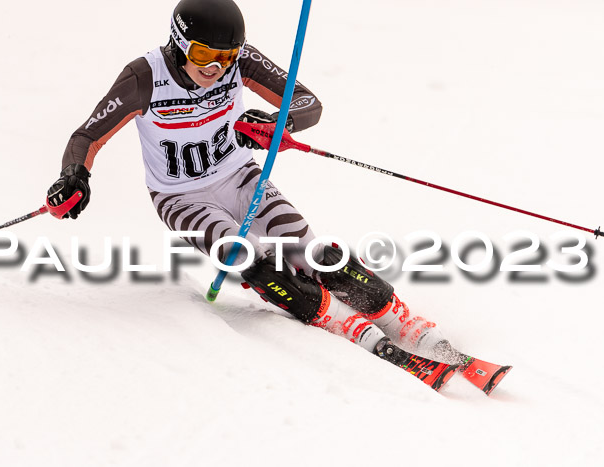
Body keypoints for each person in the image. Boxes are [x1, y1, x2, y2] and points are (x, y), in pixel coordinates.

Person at [46, 0, 465, 367]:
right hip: (180, 198)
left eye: (227, 56)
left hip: (242, 178)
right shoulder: (144, 77)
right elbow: (87, 136)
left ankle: (403, 323)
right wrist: (74, 175)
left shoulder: (239, 62)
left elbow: (306, 103)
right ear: (177, 43)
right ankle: (348, 327)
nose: (217, 68)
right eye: (205, 54)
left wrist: (276, 124)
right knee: (255, 261)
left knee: (316, 254)